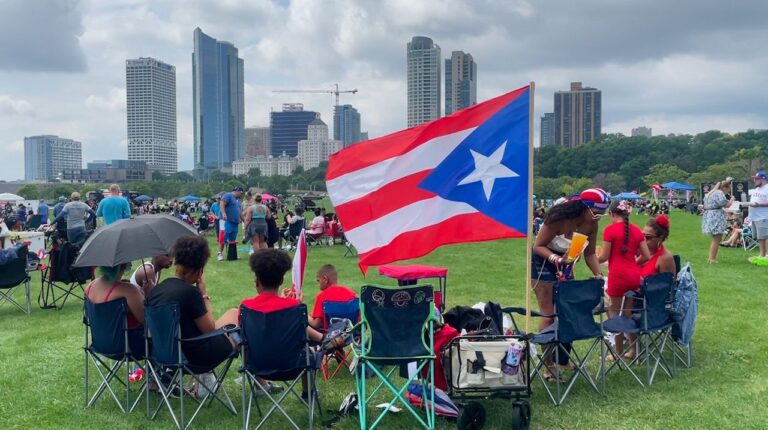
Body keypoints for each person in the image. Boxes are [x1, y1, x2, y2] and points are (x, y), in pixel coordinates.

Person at [532, 188, 609, 378]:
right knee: (548, 312)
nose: (598, 217)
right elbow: (538, 246)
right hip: (544, 263)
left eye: (602, 213)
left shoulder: (591, 224)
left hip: (567, 263)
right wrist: (557, 260)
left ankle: (563, 359)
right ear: (584, 207)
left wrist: (599, 274)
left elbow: (590, 253)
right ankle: (547, 364)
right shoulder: (558, 218)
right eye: (596, 212)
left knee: (568, 310)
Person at [146, 236, 238, 377]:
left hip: (163, 355)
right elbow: (209, 329)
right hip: (194, 359)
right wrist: (203, 293)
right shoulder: (190, 293)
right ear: (199, 270)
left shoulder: (156, 291)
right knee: (236, 319)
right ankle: (259, 383)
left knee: (231, 315)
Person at [240, 249, 324, 397]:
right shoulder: (294, 306)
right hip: (293, 366)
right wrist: (295, 305)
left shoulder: (246, 307)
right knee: (309, 351)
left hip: (256, 366)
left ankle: (260, 385)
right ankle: (308, 392)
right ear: (281, 280)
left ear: (257, 281)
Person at [598, 200, 651, 360]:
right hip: (633, 276)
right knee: (628, 314)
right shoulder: (636, 231)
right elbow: (647, 256)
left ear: (612, 214)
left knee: (614, 313)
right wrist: (633, 263)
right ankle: (634, 350)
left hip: (617, 276)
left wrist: (593, 258)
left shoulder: (610, 231)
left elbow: (604, 257)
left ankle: (618, 351)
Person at [85, 263, 146, 355]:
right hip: (128, 347)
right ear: (125, 266)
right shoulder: (129, 290)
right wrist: (148, 294)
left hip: (99, 345)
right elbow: (145, 319)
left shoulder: (89, 287)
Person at [308, 264, 357, 331]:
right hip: (350, 334)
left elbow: (316, 324)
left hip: (331, 336)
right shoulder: (352, 294)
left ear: (325, 279)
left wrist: (304, 315)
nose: (318, 284)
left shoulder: (322, 297)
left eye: (318, 280)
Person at [702, 179, 734, 263]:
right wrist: (731, 199)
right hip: (716, 216)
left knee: (715, 239)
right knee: (717, 239)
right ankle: (712, 258)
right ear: (724, 187)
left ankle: (710, 258)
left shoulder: (710, 193)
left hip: (710, 215)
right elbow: (726, 205)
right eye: (728, 189)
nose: (728, 192)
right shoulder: (719, 193)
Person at [217, 186, 243, 261]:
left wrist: (243, 219)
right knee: (224, 236)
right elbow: (222, 203)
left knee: (233, 239)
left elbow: (239, 211)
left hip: (235, 222)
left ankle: (232, 254)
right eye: (241, 193)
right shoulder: (228, 195)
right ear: (237, 191)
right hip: (227, 221)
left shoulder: (237, 200)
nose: (241, 195)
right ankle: (220, 253)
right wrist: (224, 213)